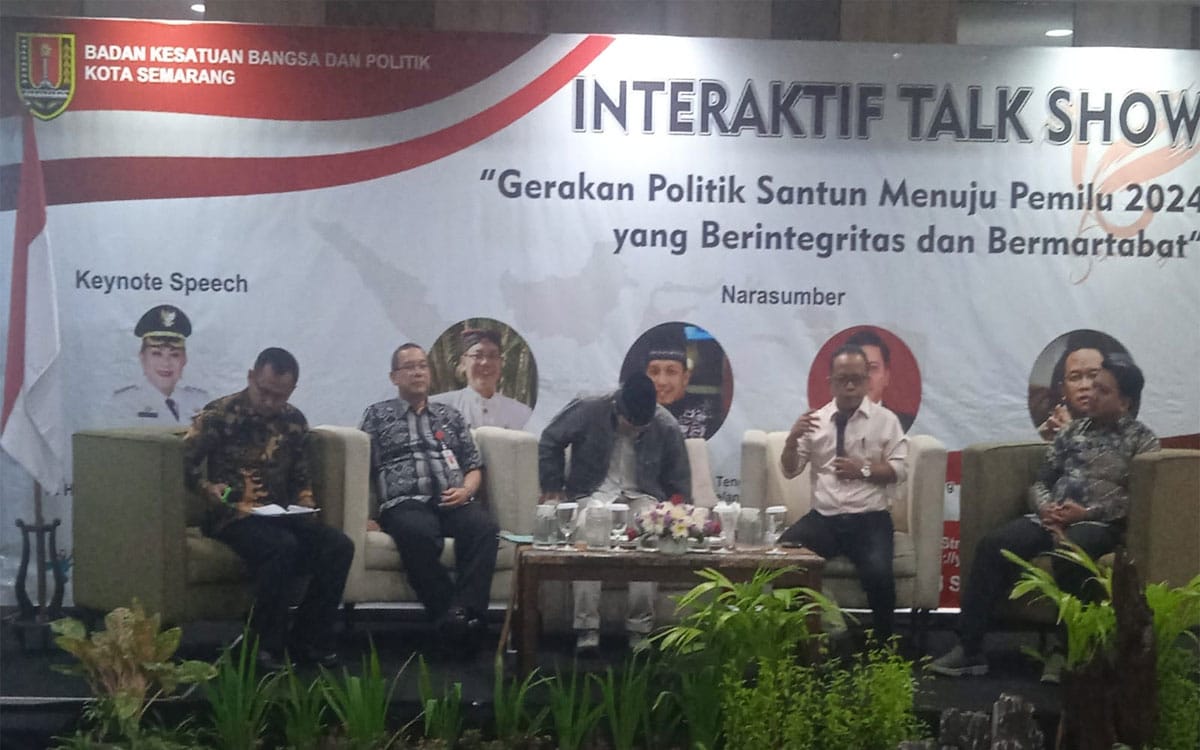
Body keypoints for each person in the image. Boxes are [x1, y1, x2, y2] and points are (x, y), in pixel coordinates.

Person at [930, 353, 1159, 679]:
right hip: (1051, 517)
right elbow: (1040, 482)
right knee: (994, 545)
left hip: (1100, 524)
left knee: (1070, 555)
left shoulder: (1143, 442)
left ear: (1125, 402)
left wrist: (1086, 512)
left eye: (1103, 390)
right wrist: (1046, 508)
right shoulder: (1071, 432)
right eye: (1093, 386)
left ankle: (1065, 650)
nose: (1091, 394)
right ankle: (970, 648)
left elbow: (1138, 499)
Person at [183, 347, 353, 671]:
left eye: (280, 396)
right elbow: (182, 463)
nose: (270, 402)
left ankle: (309, 640)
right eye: (264, 391)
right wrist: (207, 488)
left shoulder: (294, 421)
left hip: (279, 514)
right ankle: (262, 646)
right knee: (282, 548)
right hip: (232, 515)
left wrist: (306, 506)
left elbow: (302, 477)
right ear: (251, 377)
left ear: (292, 390)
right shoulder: (219, 415)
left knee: (338, 546)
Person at [538, 372, 692, 654]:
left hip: (641, 496)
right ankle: (587, 629)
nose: (635, 430)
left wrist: (679, 515)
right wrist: (553, 486)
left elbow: (679, 478)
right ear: (617, 408)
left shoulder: (665, 424)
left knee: (651, 535)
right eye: (631, 423)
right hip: (593, 493)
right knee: (589, 527)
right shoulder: (590, 407)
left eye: (642, 426)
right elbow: (550, 439)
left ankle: (640, 630)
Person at [359, 343, 498, 647]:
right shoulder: (377, 415)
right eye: (409, 367)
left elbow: (474, 466)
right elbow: (359, 467)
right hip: (405, 503)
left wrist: (466, 490)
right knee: (417, 533)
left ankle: (467, 614)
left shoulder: (450, 415)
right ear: (394, 377)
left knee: (484, 529)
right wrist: (362, 516)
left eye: (423, 365)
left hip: (453, 499)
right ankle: (451, 615)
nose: (418, 372)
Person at [778, 344, 908, 640]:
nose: (850, 386)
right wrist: (792, 439)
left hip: (869, 518)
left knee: (878, 574)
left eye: (857, 379)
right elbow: (790, 469)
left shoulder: (885, 420)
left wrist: (863, 470)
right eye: (842, 379)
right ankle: (827, 626)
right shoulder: (815, 421)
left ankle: (884, 644)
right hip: (824, 518)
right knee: (782, 559)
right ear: (830, 382)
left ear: (867, 380)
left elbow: (901, 469)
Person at [112, 304, 208, 424]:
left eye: (174, 355)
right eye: (157, 354)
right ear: (142, 357)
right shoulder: (122, 402)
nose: (166, 363)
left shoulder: (201, 401)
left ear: (184, 359)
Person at [1031, 331, 1126, 442]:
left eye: (1094, 375)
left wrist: (1071, 434)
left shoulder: (1126, 428)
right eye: (1075, 377)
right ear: (1062, 389)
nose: (1084, 386)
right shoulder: (1049, 428)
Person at [430, 329, 533, 430]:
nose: (485, 362)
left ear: (501, 363)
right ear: (464, 362)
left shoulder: (522, 415)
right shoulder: (437, 408)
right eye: (477, 355)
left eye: (492, 356)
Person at [643, 335, 718, 439]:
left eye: (671, 372)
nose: (662, 381)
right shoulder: (633, 415)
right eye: (654, 372)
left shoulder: (707, 419)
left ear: (685, 378)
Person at [844, 329, 915, 432]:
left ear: (886, 376)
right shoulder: (824, 423)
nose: (866, 377)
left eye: (873, 368)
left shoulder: (905, 425)